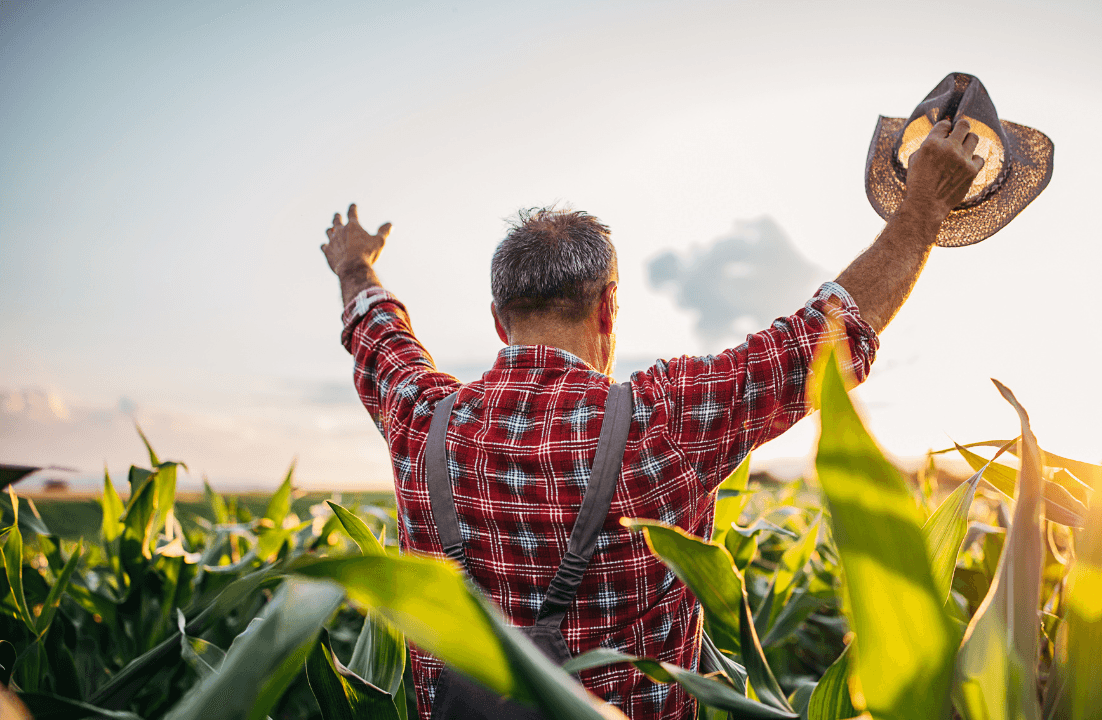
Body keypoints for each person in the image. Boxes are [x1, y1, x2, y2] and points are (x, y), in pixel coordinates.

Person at [321, 117, 986, 719]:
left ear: (501, 322)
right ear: (608, 309)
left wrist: (355, 263)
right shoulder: (660, 421)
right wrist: (925, 207)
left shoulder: (420, 417)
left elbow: (378, 333)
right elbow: (825, 338)